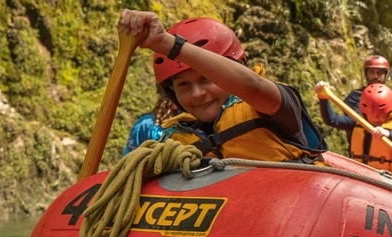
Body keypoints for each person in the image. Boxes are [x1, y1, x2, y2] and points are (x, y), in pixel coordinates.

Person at [117, 10, 326, 161]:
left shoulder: (274, 105)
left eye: (206, 79)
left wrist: (169, 45)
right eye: (184, 85)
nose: (197, 94)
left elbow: (253, 86)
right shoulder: (174, 142)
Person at [336, 81, 392, 180]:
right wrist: (323, 99)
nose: (376, 118)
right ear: (365, 112)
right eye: (372, 114)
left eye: (381, 114)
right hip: (360, 174)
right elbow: (332, 120)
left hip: (388, 177)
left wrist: (388, 133)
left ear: (389, 111)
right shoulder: (358, 122)